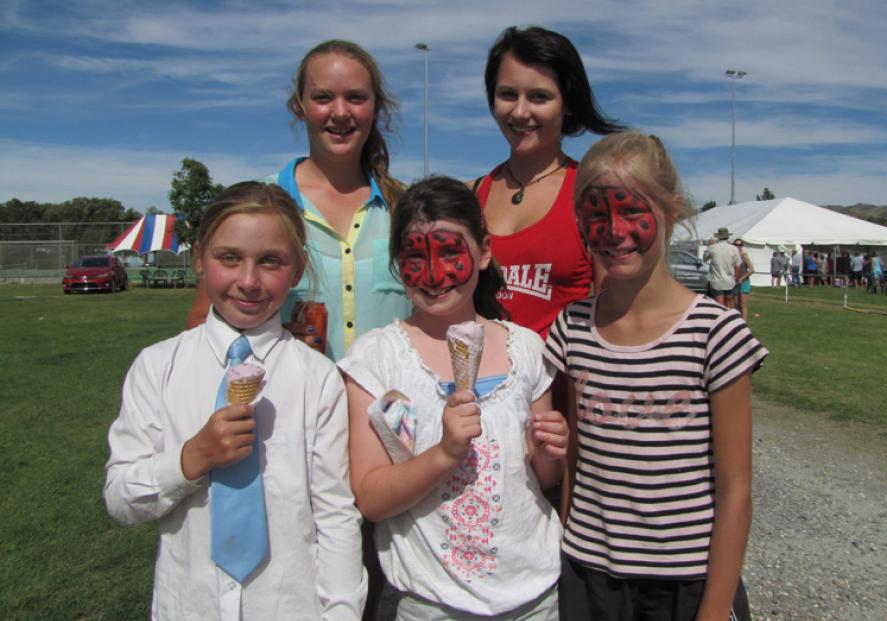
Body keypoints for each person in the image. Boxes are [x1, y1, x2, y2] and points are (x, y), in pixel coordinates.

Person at [104, 182, 366, 619]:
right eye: (229, 258)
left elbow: (335, 515)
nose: (248, 281)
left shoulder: (317, 379)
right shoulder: (157, 367)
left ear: (297, 270)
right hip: (188, 605)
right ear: (200, 262)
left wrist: (341, 612)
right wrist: (190, 458)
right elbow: (120, 500)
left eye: (270, 262)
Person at [546, 131, 767, 621]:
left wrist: (712, 611)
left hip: (685, 586)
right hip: (590, 577)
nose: (614, 230)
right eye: (596, 216)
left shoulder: (716, 333)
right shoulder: (573, 328)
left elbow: (736, 491)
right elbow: (574, 468)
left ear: (671, 211)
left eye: (631, 211)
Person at [340, 176, 568, 620]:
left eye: (450, 252)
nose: (434, 274)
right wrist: (444, 454)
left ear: (483, 252)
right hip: (432, 604)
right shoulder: (377, 358)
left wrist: (549, 451)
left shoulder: (525, 348)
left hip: (536, 596)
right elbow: (370, 497)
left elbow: (543, 479)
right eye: (414, 257)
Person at [186, 40, 411, 362]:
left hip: (388, 409)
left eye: (356, 98)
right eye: (323, 98)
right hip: (291, 408)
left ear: (375, 108)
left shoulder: (404, 208)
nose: (340, 112)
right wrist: (271, 345)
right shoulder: (258, 208)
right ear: (299, 106)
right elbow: (200, 324)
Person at [471, 25, 624, 339]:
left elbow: (618, 314)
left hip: (561, 385)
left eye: (539, 97)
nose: (520, 111)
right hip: (478, 386)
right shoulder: (470, 195)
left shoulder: (591, 195)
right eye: (507, 94)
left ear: (567, 104)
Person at [703, 226, 742, 306]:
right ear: (727, 237)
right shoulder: (734, 249)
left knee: (719, 305)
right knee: (729, 304)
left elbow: (705, 259)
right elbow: (738, 266)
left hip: (716, 280)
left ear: (718, 237)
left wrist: (709, 246)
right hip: (730, 280)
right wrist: (736, 279)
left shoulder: (713, 248)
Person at [735, 239, 755, 320]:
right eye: (736, 245)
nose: (738, 247)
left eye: (740, 245)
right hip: (735, 282)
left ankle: (744, 322)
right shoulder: (733, 256)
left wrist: (742, 278)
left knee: (743, 304)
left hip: (744, 282)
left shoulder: (744, 256)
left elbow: (752, 269)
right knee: (736, 303)